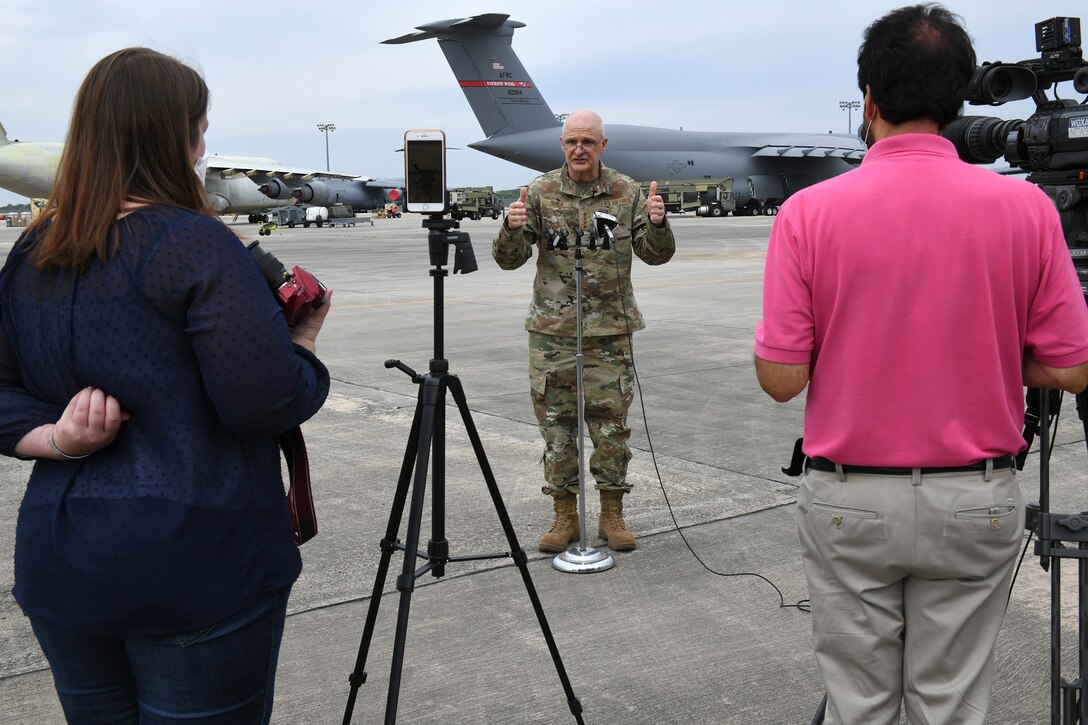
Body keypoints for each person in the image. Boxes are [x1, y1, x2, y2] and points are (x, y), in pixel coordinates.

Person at [755, 6, 1088, 723]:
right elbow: (1073, 368)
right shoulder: (1026, 209)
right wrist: (988, 353)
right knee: (951, 708)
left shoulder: (808, 214)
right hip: (975, 500)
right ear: (959, 99)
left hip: (850, 501)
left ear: (868, 101)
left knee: (859, 706)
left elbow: (781, 380)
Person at [0, 48, 331, 723]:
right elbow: (261, 403)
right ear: (177, 136)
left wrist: (59, 440)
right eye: (200, 129)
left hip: (64, 568)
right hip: (196, 567)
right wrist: (303, 344)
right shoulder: (195, 243)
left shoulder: (33, 252)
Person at [493, 109, 675, 553]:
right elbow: (509, 259)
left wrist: (656, 223)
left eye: (588, 142)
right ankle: (564, 516)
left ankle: (612, 514)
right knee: (556, 428)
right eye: (572, 141)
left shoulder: (626, 192)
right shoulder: (540, 192)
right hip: (552, 332)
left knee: (610, 430)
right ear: (562, 146)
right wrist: (511, 230)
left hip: (609, 333)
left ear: (602, 146)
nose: (579, 149)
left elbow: (656, 255)